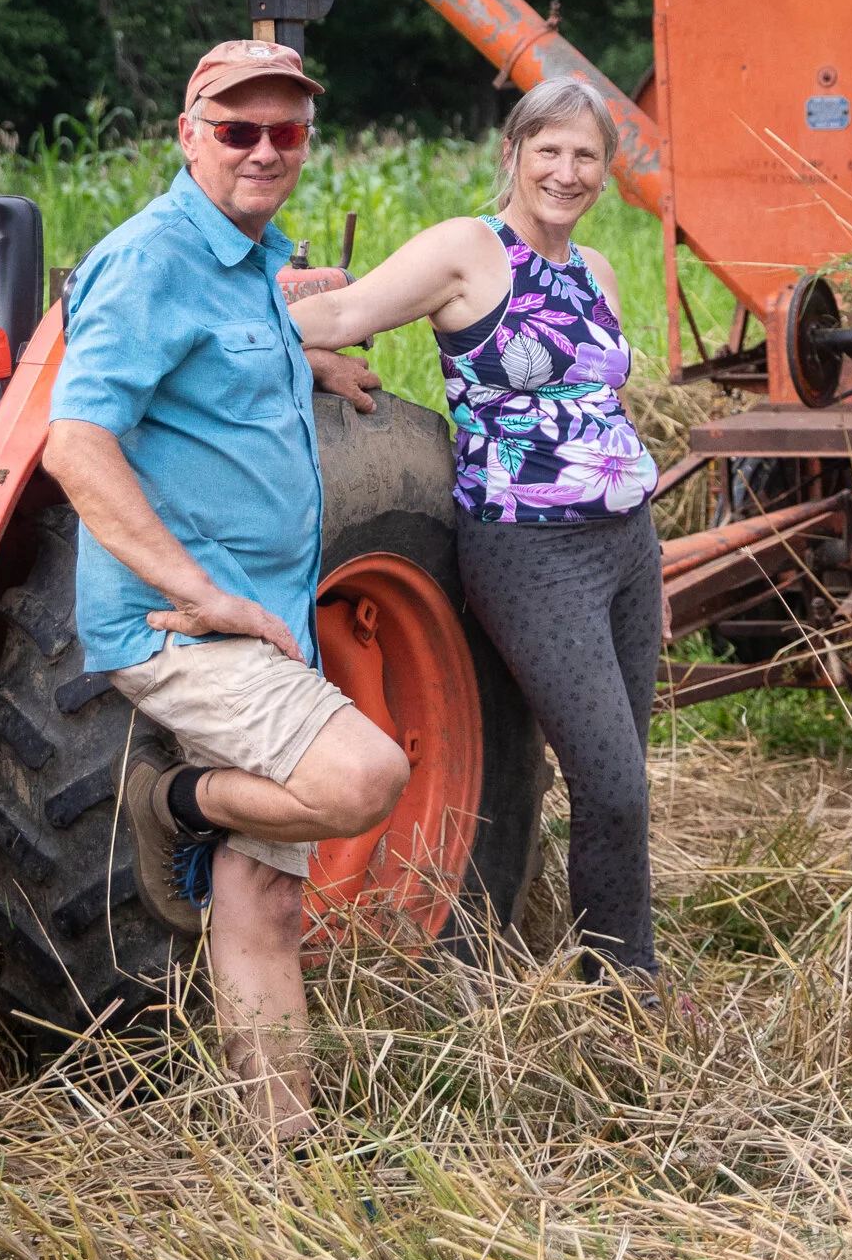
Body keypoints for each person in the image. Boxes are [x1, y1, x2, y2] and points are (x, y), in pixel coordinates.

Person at [42, 38, 406, 1141]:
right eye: (236, 128)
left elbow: (223, 360)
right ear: (186, 134)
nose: (262, 149)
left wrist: (309, 360)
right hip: (191, 624)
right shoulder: (149, 256)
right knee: (363, 774)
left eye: (284, 130)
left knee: (264, 900)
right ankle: (174, 806)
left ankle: (279, 1148)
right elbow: (75, 444)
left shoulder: (248, 258)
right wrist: (200, 590)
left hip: (266, 614)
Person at [285, 76, 664, 984]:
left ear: (606, 173)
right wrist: (304, 350)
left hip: (626, 546)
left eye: (586, 157)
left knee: (621, 778)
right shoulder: (469, 251)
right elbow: (336, 311)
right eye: (550, 151)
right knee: (613, 783)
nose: (567, 173)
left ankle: (611, 971)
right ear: (514, 155)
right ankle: (625, 989)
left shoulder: (597, 271)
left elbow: (597, 402)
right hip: (531, 551)